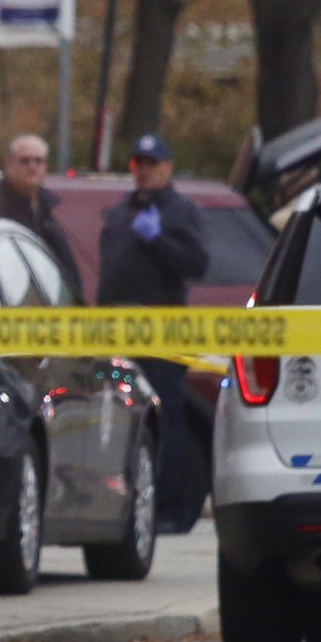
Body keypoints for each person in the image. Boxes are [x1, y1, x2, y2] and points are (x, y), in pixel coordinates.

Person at [97, 132, 210, 531]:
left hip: (161, 335)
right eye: (137, 164)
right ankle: (127, 507)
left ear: (167, 169)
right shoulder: (121, 212)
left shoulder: (180, 211)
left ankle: (172, 510)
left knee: (167, 422)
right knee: (120, 424)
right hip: (118, 334)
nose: (143, 171)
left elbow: (196, 264)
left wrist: (159, 240)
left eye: (151, 164)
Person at [0, 134, 85, 300]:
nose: (32, 167)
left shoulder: (47, 211)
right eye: (25, 161)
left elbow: (67, 272)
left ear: (46, 166)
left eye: (39, 161)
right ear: (9, 164)